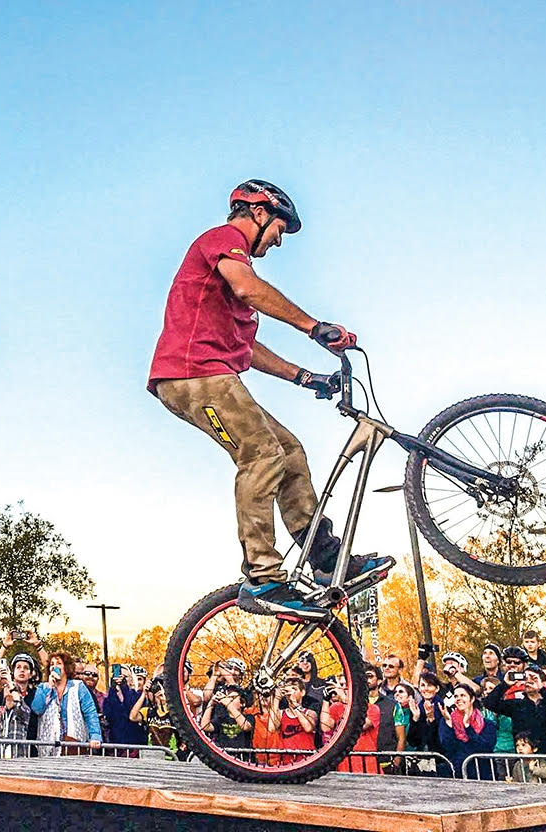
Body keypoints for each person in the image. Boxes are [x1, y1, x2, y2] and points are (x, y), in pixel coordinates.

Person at [147, 179, 392, 616]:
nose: (278, 240)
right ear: (259, 212)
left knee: (290, 452)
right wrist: (314, 327)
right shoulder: (223, 241)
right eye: (279, 227)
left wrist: (306, 377)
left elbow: (249, 349)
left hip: (210, 374)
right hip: (192, 375)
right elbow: (248, 287)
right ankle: (262, 578)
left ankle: (323, 557)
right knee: (262, 454)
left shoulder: (229, 282)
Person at [34, 652, 103, 755]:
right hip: (49, 745)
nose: (54, 667)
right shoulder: (43, 687)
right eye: (52, 664)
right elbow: (37, 709)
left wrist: (95, 736)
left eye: (58, 663)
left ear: (66, 667)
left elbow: (90, 712)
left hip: (74, 743)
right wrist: (49, 687)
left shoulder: (78, 686)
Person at [484, 663, 546, 755]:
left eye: (534, 678)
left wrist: (541, 689)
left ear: (544, 683)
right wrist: (505, 684)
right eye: (525, 678)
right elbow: (489, 703)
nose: (529, 681)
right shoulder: (517, 705)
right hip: (524, 757)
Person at [320, 667, 380, 774]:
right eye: (342, 685)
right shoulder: (336, 707)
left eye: (346, 685)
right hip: (345, 761)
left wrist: (345, 699)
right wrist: (325, 700)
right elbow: (325, 727)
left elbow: (360, 724)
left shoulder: (372, 708)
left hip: (367, 763)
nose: (343, 688)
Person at [0, 652, 41, 758]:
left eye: (26, 668)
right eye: (18, 667)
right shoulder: (0, 710)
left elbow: (20, 706)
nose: (22, 670)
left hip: (21, 756)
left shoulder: (24, 708)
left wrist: (11, 683)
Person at [438, 683, 496, 778]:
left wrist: (468, 727)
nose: (458, 699)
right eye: (456, 696)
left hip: (483, 774)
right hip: (457, 774)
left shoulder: (488, 724)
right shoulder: (447, 720)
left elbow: (485, 748)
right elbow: (448, 746)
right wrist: (448, 724)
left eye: (463, 695)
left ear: (472, 699)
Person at [102, 665, 146, 750]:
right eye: (118, 676)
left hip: (135, 745)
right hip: (115, 745)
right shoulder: (110, 696)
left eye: (125, 677)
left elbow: (130, 711)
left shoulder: (138, 696)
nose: (121, 679)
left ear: (131, 679)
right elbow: (109, 714)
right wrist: (113, 689)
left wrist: (124, 688)